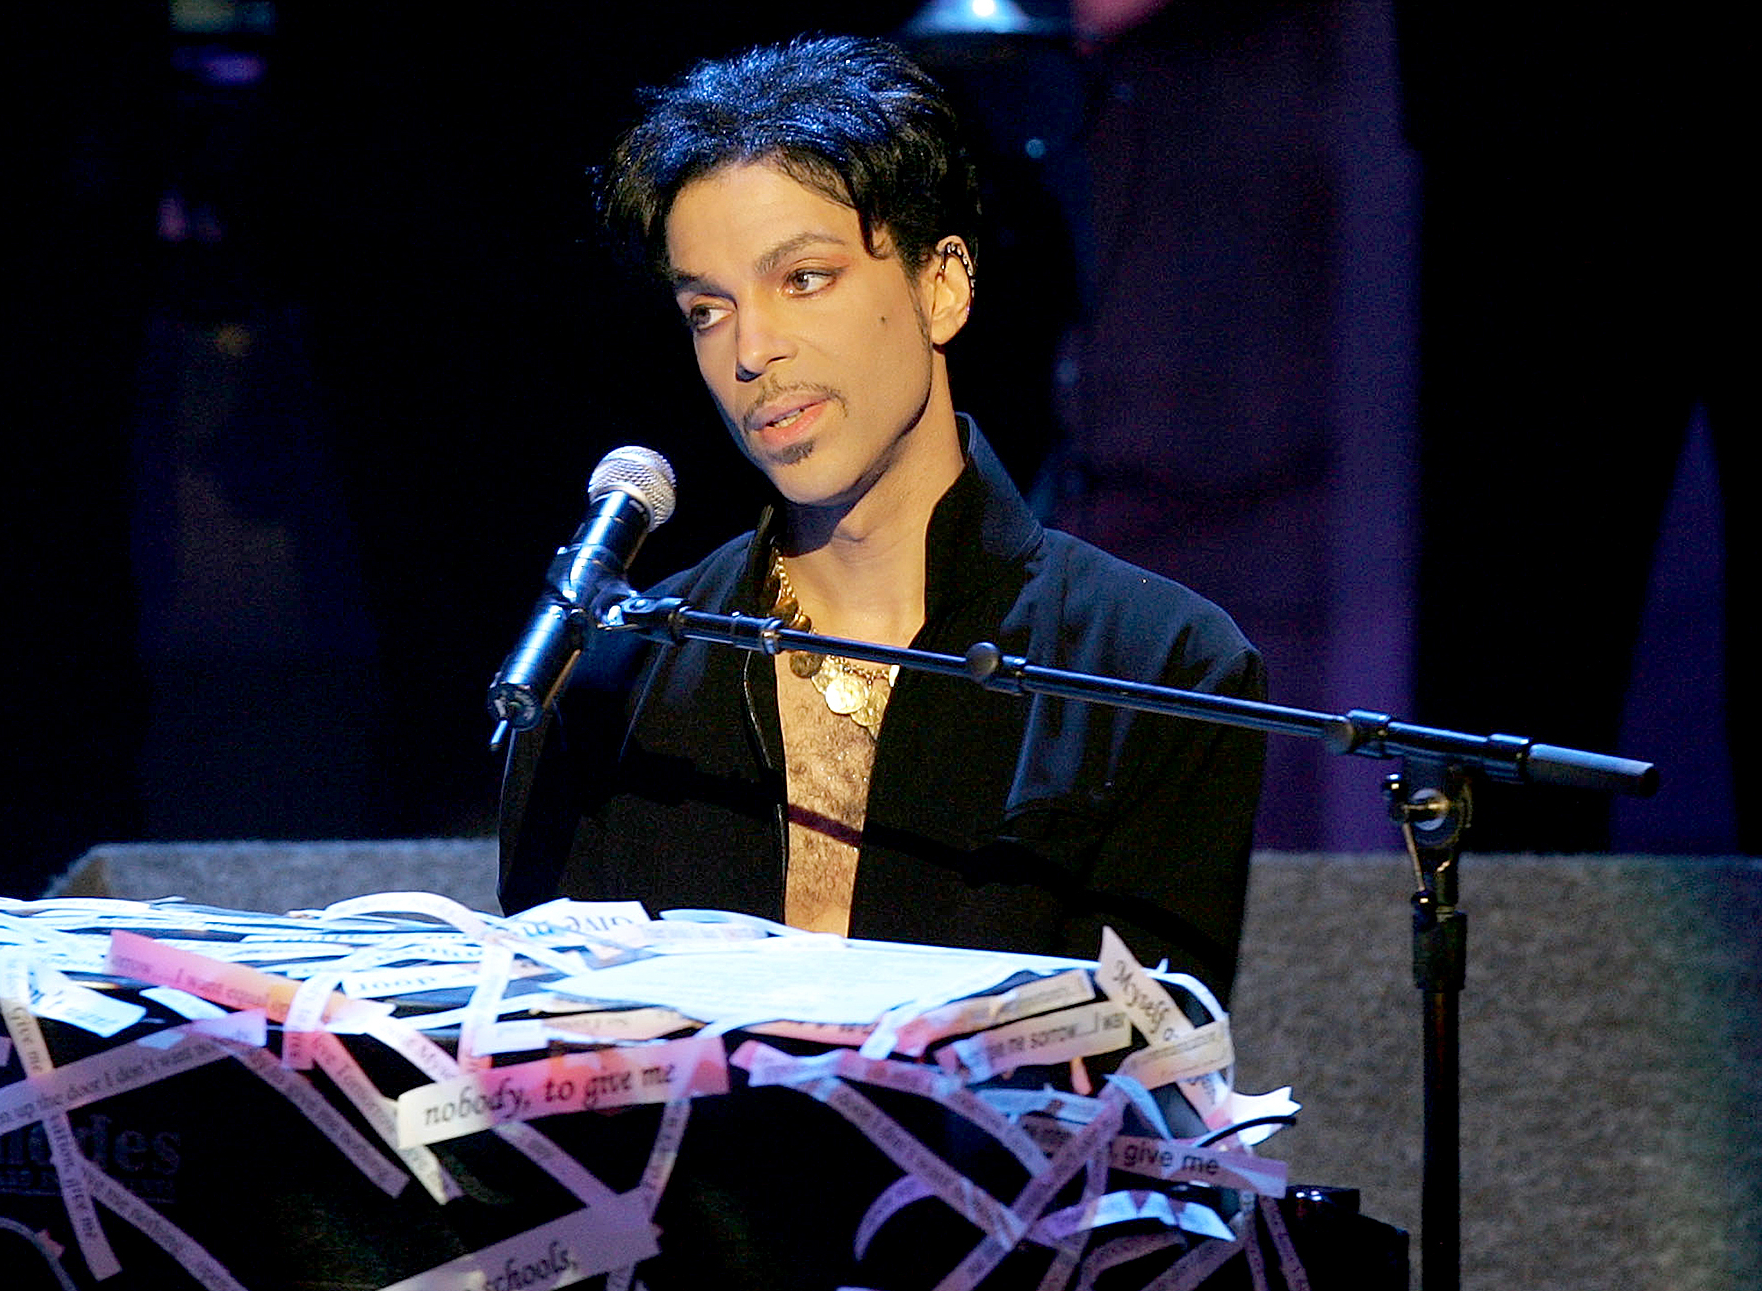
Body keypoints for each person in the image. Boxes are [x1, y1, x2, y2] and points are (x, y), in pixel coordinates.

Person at [497, 34, 1265, 1000]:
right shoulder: (613, 675)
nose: (752, 351)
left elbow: (1145, 1086)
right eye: (707, 309)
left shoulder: (1160, 666)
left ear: (940, 286)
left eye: (803, 279)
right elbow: (534, 1071)